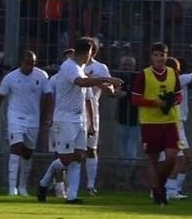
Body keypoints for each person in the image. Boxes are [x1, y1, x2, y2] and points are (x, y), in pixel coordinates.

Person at [36, 37, 123, 204]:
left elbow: (88, 93)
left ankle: (72, 196)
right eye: (91, 52)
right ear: (86, 52)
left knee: (78, 156)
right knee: (65, 159)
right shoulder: (69, 66)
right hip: (65, 118)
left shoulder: (80, 68)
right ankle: (43, 183)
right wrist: (105, 79)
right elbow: (81, 82)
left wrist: (107, 86)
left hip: (79, 118)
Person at [0, 50, 51, 196]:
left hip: (33, 119)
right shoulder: (11, 78)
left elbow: (48, 96)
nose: (30, 67)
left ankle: (23, 186)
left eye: (32, 64)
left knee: (28, 153)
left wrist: (46, 118)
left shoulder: (42, 76)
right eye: (27, 64)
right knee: (16, 148)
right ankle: (12, 188)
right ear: (21, 62)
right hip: (16, 117)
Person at [131, 42, 182, 205]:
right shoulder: (144, 75)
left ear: (166, 56)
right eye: (156, 55)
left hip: (170, 120)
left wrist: (173, 101)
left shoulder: (173, 73)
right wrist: (155, 102)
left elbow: (179, 95)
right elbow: (135, 98)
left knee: (172, 156)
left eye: (162, 55)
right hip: (150, 122)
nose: (159, 58)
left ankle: (159, 182)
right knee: (152, 159)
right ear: (151, 57)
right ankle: (157, 192)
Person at [162, 45, 192, 199]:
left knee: (185, 157)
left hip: (174, 122)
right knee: (180, 158)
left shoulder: (176, 79)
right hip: (174, 123)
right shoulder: (177, 80)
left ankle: (174, 188)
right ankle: (169, 189)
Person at [83, 40, 114, 195]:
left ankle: (90, 186)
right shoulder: (74, 66)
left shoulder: (100, 68)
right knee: (69, 151)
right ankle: (62, 184)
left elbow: (111, 91)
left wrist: (98, 82)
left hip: (92, 112)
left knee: (91, 149)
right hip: (71, 111)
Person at [39, 0, 71, 67]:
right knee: (47, 41)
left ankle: (55, 62)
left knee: (56, 41)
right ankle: (49, 61)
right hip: (46, 18)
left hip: (56, 19)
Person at [112, 55, 140, 160]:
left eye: (129, 65)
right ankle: (124, 170)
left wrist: (126, 94)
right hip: (121, 116)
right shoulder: (119, 78)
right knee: (122, 148)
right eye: (124, 65)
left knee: (131, 149)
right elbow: (113, 92)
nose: (126, 67)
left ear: (134, 67)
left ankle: (129, 170)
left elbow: (140, 94)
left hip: (135, 118)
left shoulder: (138, 78)